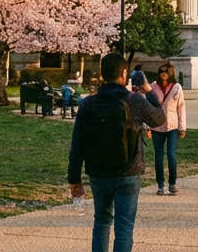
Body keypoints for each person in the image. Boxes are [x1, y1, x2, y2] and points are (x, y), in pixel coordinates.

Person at [68, 53, 166, 252]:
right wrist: (148, 91)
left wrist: (74, 180)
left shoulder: (88, 104)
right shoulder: (134, 100)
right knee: (124, 227)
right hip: (128, 170)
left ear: (102, 74)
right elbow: (158, 118)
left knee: (101, 222)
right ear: (124, 73)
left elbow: (77, 143)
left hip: (98, 171)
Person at [149, 62, 186, 196]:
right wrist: (148, 126)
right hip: (157, 125)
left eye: (166, 71)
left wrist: (182, 127)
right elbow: (149, 107)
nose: (163, 73)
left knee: (171, 155)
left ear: (170, 73)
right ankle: (160, 184)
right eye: (161, 71)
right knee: (159, 156)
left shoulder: (176, 87)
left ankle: (172, 182)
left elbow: (181, 107)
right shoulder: (153, 87)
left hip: (172, 125)